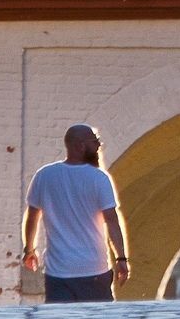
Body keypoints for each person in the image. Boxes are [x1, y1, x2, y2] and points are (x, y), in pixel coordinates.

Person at [22, 123, 131, 303]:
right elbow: (111, 221)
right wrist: (120, 258)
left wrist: (29, 249)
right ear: (80, 146)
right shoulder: (99, 179)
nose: (98, 146)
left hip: (58, 272)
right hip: (94, 269)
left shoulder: (45, 175)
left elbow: (32, 216)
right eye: (94, 142)